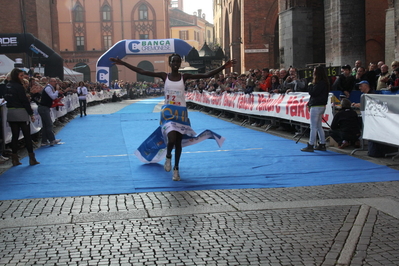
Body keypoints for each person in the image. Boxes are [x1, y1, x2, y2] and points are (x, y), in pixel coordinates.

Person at [110, 54, 236, 181]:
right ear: (170, 63)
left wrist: (224, 66)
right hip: (168, 113)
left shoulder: (184, 77)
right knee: (171, 138)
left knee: (178, 142)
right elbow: (142, 71)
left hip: (181, 113)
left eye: (177, 61)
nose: (175, 63)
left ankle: (176, 169)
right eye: (173, 61)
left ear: (179, 63)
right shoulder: (164, 76)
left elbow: (206, 75)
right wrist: (123, 63)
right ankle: (168, 157)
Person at [4, 68, 39, 166]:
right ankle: (32, 158)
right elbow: (24, 101)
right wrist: (31, 114)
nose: (23, 77)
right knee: (27, 135)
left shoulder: (7, 86)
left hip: (10, 112)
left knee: (14, 136)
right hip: (20, 111)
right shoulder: (19, 86)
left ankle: (14, 159)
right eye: (21, 76)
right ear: (16, 76)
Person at [301, 65, 330, 152]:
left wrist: (310, 85)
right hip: (321, 105)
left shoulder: (319, 83)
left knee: (313, 126)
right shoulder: (325, 82)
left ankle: (311, 144)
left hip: (316, 106)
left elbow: (313, 92)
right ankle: (322, 143)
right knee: (319, 126)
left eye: (314, 71)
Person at [38, 77, 62, 146]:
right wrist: (57, 91)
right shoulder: (48, 88)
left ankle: (44, 141)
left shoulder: (50, 88)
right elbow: (53, 97)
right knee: (49, 124)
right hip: (44, 107)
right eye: (54, 81)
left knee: (45, 125)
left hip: (44, 107)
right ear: (50, 82)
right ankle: (52, 139)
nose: (55, 83)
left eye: (55, 81)